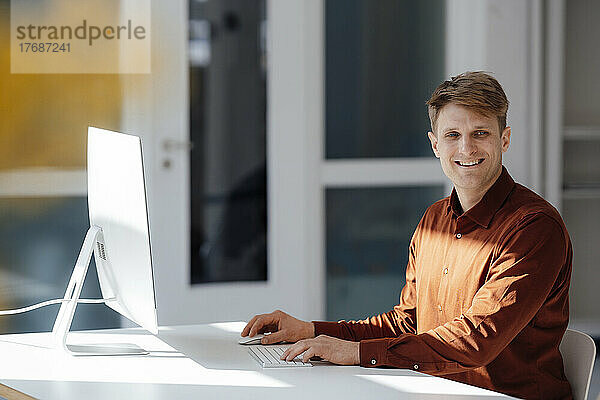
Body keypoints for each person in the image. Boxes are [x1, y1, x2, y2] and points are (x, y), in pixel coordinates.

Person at [241, 72, 573, 400]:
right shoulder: (433, 220)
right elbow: (408, 323)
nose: (466, 147)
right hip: (434, 392)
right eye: (453, 134)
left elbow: (476, 341)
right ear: (435, 145)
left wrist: (358, 352)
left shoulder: (534, 227)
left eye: (481, 132)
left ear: (504, 139)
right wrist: (312, 331)